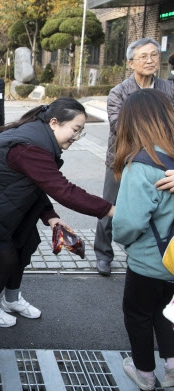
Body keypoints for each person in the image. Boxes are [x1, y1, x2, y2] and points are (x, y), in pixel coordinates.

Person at [0, 98, 115, 328]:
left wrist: (50, 217)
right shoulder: (32, 147)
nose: (76, 136)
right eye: (75, 129)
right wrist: (110, 209)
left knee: (24, 245)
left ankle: (11, 300)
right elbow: (63, 190)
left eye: (80, 132)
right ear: (54, 122)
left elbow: (34, 183)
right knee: (5, 259)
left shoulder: (39, 137)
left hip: (1, 205)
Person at [94, 38, 174, 276]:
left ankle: (157, 253)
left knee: (162, 210)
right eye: (144, 56)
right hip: (122, 159)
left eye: (154, 55)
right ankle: (103, 254)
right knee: (110, 207)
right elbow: (121, 127)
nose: (150, 61)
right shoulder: (119, 92)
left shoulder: (169, 89)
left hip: (163, 160)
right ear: (131, 63)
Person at [112, 89, 174, 391]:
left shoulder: (142, 164)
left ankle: (145, 375)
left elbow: (128, 223)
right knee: (168, 311)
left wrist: (122, 241)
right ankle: (173, 367)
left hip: (149, 262)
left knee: (138, 314)